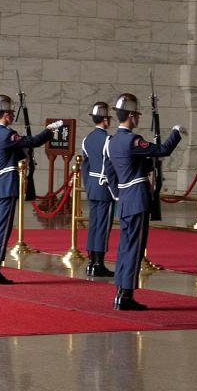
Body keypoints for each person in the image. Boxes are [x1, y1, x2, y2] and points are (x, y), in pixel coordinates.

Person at [104, 93, 186, 310]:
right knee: (135, 249)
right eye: (137, 115)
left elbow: (110, 173)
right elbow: (163, 150)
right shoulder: (132, 140)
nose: (139, 118)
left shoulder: (111, 142)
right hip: (137, 199)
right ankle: (126, 296)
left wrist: (118, 194)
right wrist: (176, 132)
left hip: (124, 200)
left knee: (125, 247)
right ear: (131, 116)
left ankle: (120, 292)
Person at [0, 94, 63, 284]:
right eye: (11, 113)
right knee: (3, 229)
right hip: (7, 185)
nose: (12, 115)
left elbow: (10, 152)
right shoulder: (8, 134)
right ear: (6, 115)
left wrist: (23, 151)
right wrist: (49, 130)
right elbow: (34, 141)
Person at [81, 102, 117, 277]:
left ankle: (91, 262)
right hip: (104, 187)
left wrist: (88, 185)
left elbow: (85, 166)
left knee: (94, 225)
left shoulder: (87, 139)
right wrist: (116, 191)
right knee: (103, 226)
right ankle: (98, 264)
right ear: (105, 120)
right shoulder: (108, 140)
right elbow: (110, 167)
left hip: (92, 186)